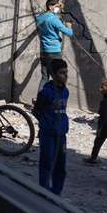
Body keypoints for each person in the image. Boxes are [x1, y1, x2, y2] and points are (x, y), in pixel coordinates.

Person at [32, 59, 70, 195]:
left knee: (61, 164)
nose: (65, 75)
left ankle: (57, 191)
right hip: (48, 133)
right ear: (53, 74)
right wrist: (47, 123)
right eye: (62, 73)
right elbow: (37, 111)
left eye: (66, 72)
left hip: (62, 134)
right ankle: (45, 191)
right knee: (46, 163)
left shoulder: (66, 92)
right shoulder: (45, 93)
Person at [35, 0, 73, 94]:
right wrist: (69, 27)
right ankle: (59, 97)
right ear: (50, 6)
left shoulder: (40, 18)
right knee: (58, 76)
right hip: (54, 51)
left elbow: (46, 15)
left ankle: (40, 97)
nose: (58, 9)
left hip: (44, 50)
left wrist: (58, 3)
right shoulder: (54, 20)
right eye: (56, 7)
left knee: (45, 76)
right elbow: (68, 33)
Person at [83, 78, 107, 166]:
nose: (100, 89)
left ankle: (93, 158)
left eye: (102, 87)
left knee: (98, 142)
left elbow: (103, 117)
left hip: (106, 126)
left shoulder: (104, 102)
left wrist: (100, 128)